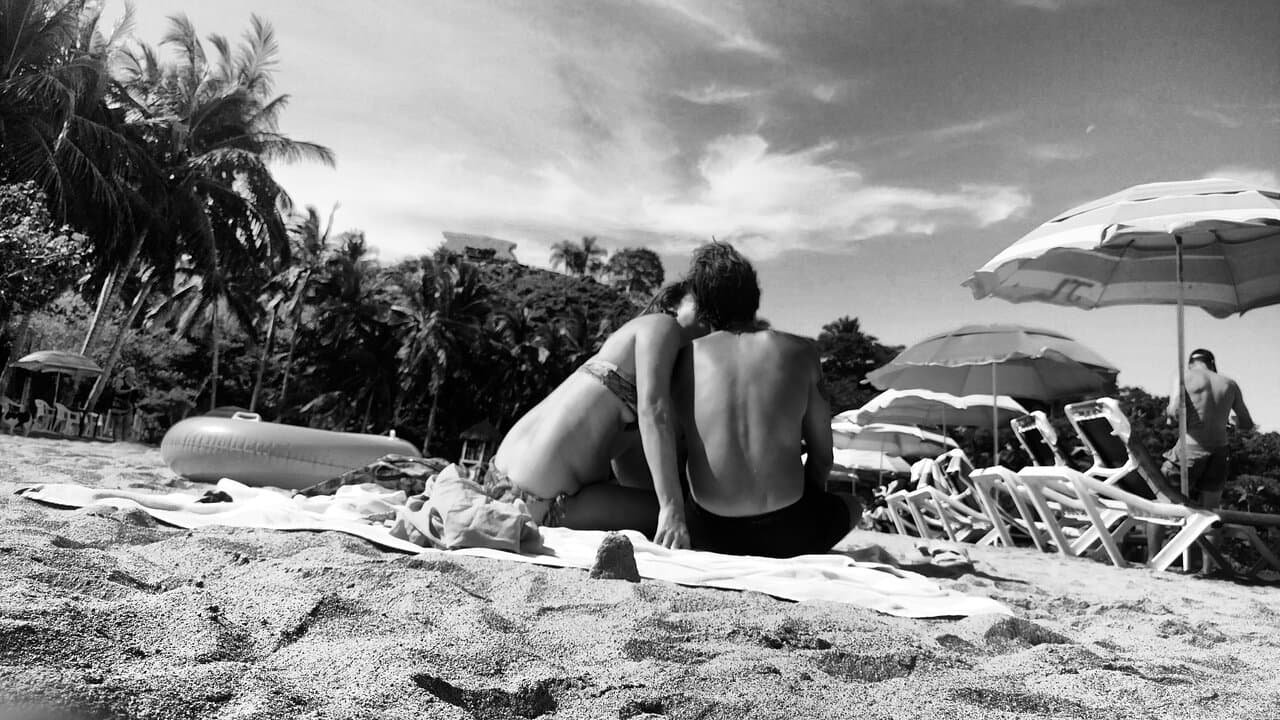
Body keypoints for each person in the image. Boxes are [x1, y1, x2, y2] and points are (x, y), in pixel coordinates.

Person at [672, 242, 860, 558]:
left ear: (703, 302)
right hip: (790, 534)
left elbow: (677, 453)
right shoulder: (802, 352)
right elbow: (822, 458)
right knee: (854, 505)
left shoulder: (682, 360)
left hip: (709, 533)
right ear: (754, 295)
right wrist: (808, 511)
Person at [488, 280, 707, 548]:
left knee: (662, 508)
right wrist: (672, 509)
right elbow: (653, 410)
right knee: (690, 513)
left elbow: (634, 478)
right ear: (673, 306)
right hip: (542, 502)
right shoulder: (662, 325)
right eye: (703, 310)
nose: (710, 324)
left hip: (499, 481)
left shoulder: (620, 352)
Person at [1150, 348, 1254, 569]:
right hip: (1219, 451)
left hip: (1190, 448)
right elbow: (1246, 423)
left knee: (1161, 504)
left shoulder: (1183, 375)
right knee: (1210, 512)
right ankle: (1209, 569)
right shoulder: (1229, 383)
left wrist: (1170, 417)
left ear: (1191, 363)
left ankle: (1153, 561)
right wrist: (1230, 421)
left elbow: (1173, 410)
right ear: (1212, 364)